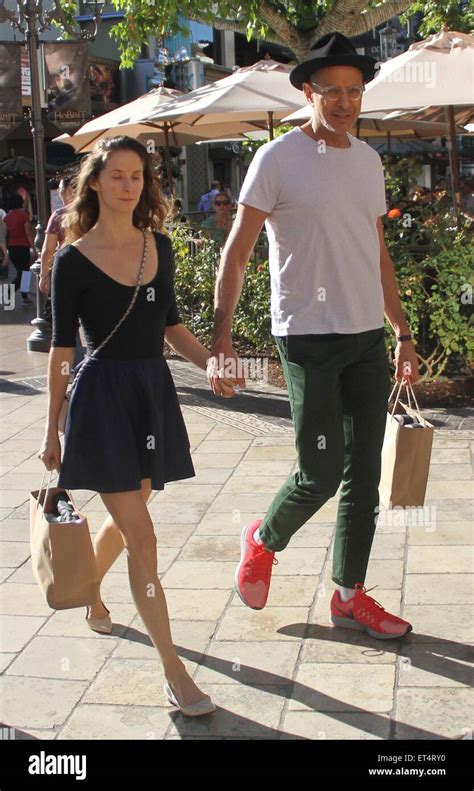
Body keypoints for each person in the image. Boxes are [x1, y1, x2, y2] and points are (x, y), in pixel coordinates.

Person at [209, 32, 420, 640]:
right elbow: (239, 250)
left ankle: (349, 595)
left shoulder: (367, 159)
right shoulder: (276, 159)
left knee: (363, 474)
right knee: (320, 472)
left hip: (365, 339)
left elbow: (375, 249)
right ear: (308, 91)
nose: (346, 102)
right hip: (306, 336)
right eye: (334, 91)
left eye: (355, 91)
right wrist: (223, 343)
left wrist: (401, 330)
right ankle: (264, 537)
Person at [37, 135, 235, 716]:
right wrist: (51, 432)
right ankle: (175, 672)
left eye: (137, 176)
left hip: (151, 394)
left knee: (130, 517)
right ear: (93, 183)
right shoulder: (73, 259)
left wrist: (215, 365)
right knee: (142, 534)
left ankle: (92, 594)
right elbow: (60, 351)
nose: (129, 185)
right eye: (117, 175)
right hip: (100, 401)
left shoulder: (160, 248)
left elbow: (171, 326)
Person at [40, 175, 85, 370]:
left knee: (67, 326)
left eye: (61, 188)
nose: (59, 191)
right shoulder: (93, 212)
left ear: (70, 190)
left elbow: (48, 249)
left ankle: (75, 372)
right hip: (94, 269)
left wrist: (44, 274)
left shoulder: (59, 215)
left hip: (66, 273)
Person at [4, 194, 35, 305]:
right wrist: (33, 247)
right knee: (24, 272)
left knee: (21, 272)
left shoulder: (7, 218)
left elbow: (5, 234)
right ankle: (10, 292)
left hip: (12, 247)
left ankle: (24, 296)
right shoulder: (24, 215)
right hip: (23, 247)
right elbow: (28, 232)